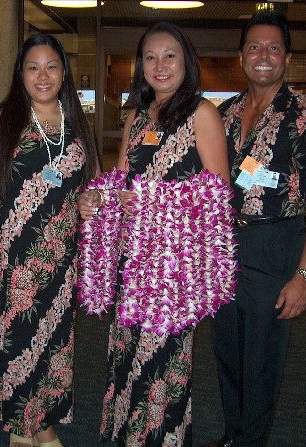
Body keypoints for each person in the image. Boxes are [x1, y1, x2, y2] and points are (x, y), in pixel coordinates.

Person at [79, 22, 229, 446]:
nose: (160, 66)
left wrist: (157, 204)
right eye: (150, 57)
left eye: (170, 56)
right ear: (140, 65)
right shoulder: (137, 117)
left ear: (187, 63)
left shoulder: (202, 113)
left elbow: (217, 197)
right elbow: (124, 182)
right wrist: (98, 199)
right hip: (134, 263)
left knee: (161, 363)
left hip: (173, 271)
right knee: (127, 356)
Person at [204, 12, 306, 447]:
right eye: (255, 48)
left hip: (274, 244)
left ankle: (250, 442)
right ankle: (233, 434)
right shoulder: (224, 113)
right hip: (225, 246)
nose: (264, 56)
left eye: (274, 48)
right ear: (241, 56)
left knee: (261, 359)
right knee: (227, 352)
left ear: (288, 58)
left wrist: (304, 276)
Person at [0, 34, 100, 447]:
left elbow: (94, 184)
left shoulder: (78, 124)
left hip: (62, 258)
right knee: (19, 343)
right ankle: (32, 432)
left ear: (64, 73)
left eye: (51, 66)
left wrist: (90, 199)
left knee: (54, 344)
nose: (42, 75)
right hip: (15, 259)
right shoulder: (4, 121)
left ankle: (31, 427)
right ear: (21, 74)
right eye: (33, 67)